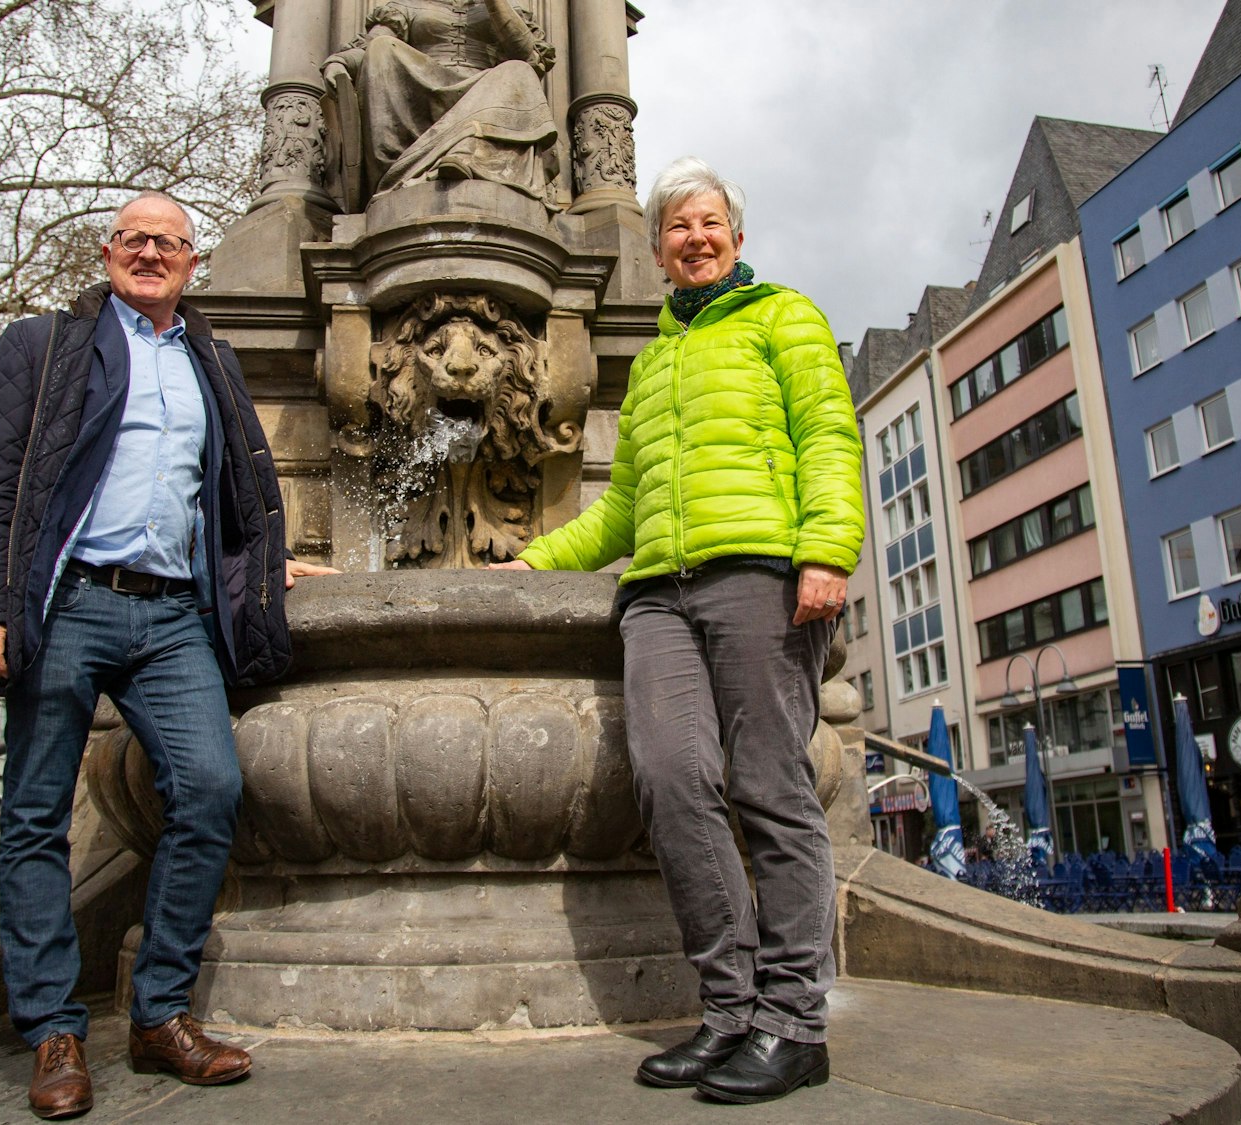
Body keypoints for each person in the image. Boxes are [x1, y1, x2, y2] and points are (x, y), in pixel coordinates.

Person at [490, 157, 864, 1105]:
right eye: (677, 229)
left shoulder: (784, 317)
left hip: (760, 575)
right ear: (657, 251)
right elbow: (625, 506)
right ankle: (730, 1007)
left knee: (771, 788)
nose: (695, 239)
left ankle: (794, 1020)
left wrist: (827, 550)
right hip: (659, 592)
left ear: (736, 235)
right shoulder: (654, 362)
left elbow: (828, 435)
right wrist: (536, 561)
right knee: (668, 780)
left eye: (709, 223)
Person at [0, 191, 336, 1119]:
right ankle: (53, 1030)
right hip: (70, 600)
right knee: (36, 816)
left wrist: (262, 566)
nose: (151, 253)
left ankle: (159, 1012)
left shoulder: (212, 361)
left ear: (192, 263)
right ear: (107, 252)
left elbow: (232, 488)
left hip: (172, 615)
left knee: (209, 790)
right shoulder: (43, 345)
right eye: (135, 239)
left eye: (169, 243)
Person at [322, 0, 563, 208]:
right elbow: (368, 46)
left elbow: (530, 56)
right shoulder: (408, 5)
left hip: (485, 94)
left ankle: (466, 154)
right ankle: (412, 166)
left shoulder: (507, 8)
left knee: (519, 70)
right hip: (422, 93)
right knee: (382, 46)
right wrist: (340, 62)